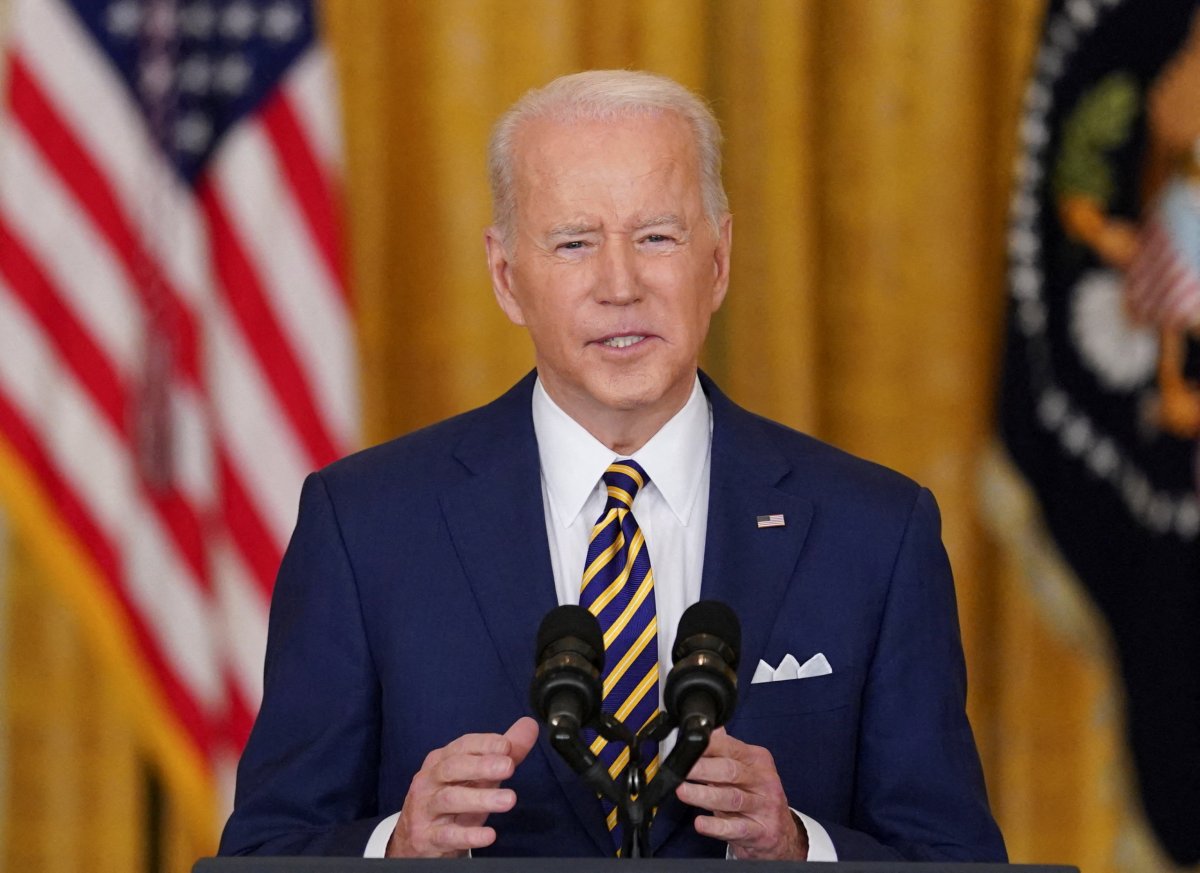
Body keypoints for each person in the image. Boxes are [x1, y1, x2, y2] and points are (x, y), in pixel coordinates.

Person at [219, 70, 1006, 861]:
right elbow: (263, 849)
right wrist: (394, 847)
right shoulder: (366, 527)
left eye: (657, 236)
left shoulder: (873, 532)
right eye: (574, 243)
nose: (620, 285)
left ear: (720, 259)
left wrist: (802, 847)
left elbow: (958, 857)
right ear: (506, 276)